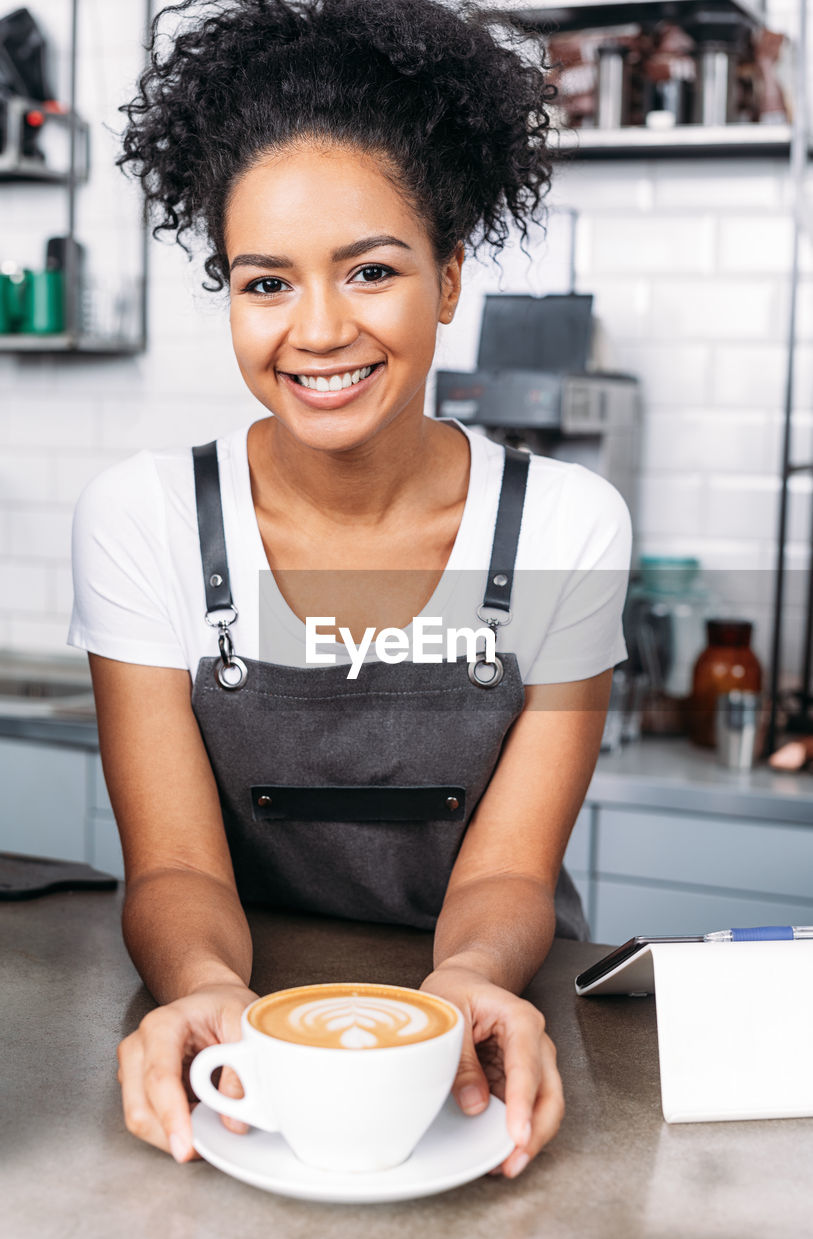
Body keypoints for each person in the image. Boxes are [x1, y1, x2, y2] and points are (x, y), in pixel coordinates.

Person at [69, 0, 632, 1179]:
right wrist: (213, 996)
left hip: (492, 1012)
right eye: (265, 283)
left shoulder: (565, 526)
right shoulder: (147, 521)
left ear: (450, 275)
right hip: (254, 1040)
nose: (317, 332)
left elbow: (509, 872)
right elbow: (173, 868)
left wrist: (469, 988)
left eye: (370, 269)